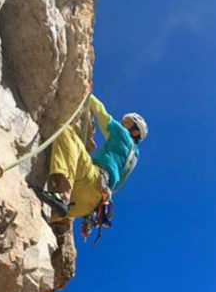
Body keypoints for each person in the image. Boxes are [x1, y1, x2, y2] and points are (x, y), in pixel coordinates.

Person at [37, 94, 148, 225]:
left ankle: (64, 196)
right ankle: (61, 204)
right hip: (91, 204)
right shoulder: (133, 159)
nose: (122, 123)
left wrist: (88, 93)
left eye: (127, 122)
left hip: (93, 178)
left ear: (135, 132)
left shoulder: (122, 134)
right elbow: (118, 184)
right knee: (41, 215)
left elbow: (100, 112)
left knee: (66, 131)